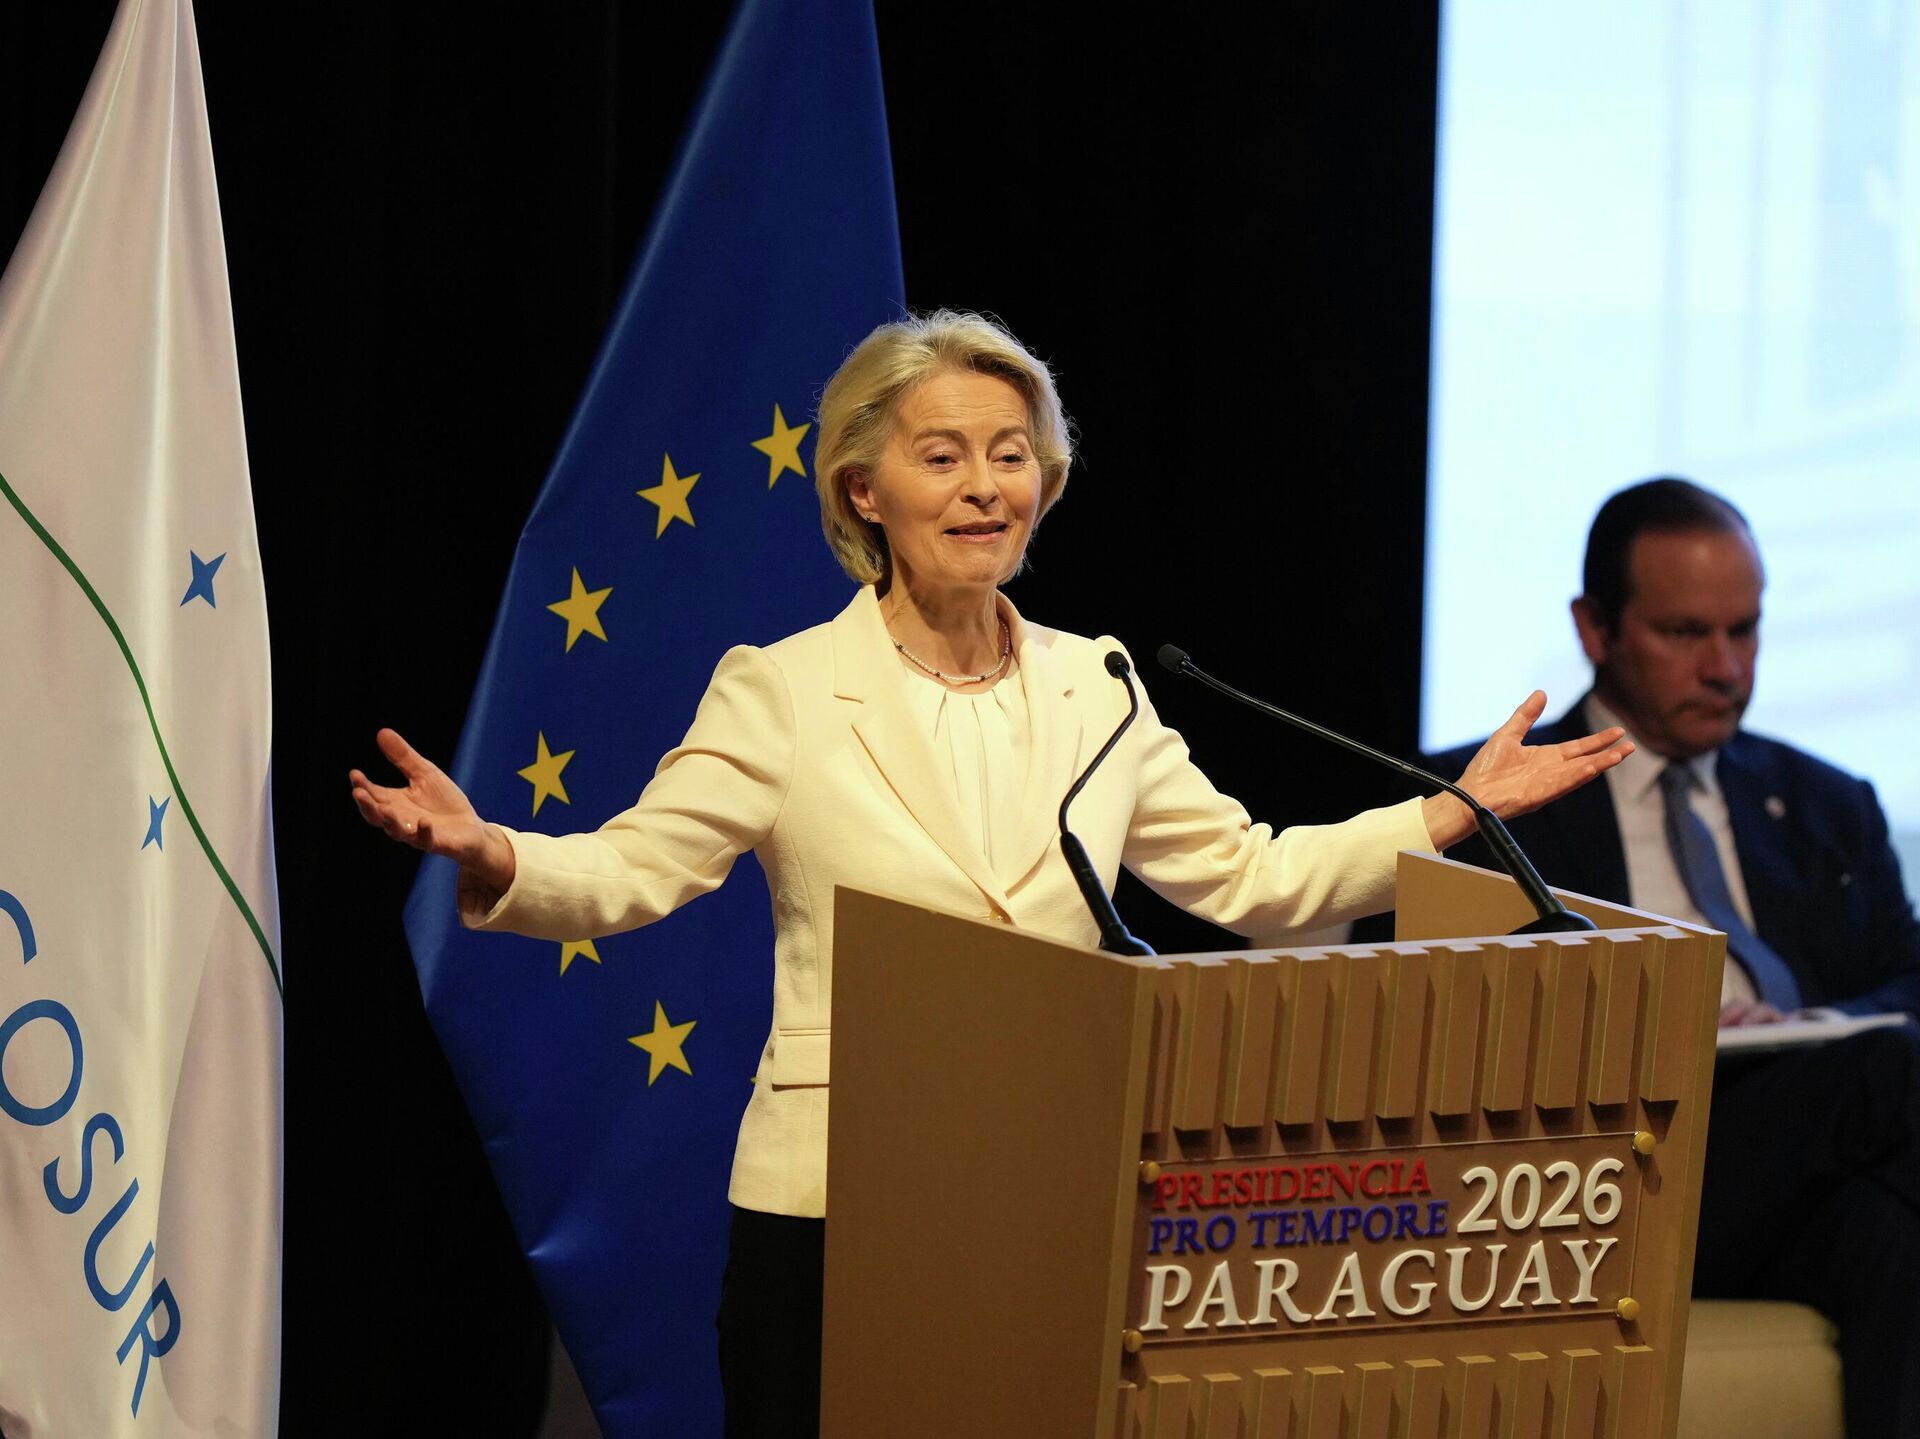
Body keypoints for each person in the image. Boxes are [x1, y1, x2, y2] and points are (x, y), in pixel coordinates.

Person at [349, 311, 1627, 1439]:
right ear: (864, 488)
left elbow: (1251, 875)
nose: (983, 487)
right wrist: (498, 849)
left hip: (1049, 1181)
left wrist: (1453, 809)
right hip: (837, 1190)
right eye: (943, 455)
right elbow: (639, 865)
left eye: (1011, 454)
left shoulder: (1099, 683)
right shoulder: (784, 687)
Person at [1421, 477, 1920, 1436]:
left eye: (1746, 630)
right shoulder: (1476, 804)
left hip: (1800, 1163)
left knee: (1891, 1235)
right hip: (1609, 1180)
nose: (1726, 667)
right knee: (1892, 1073)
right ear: (1594, 628)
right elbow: (1442, 1026)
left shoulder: (1828, 804)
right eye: (1687, 633)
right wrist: (1677, 1027)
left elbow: (1906, 975)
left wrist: (1811, 1025)